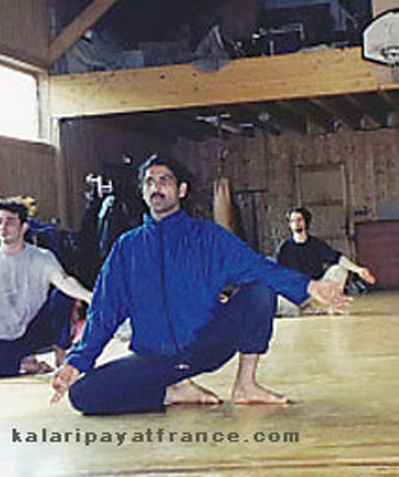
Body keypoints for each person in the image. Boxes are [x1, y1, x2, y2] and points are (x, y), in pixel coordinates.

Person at [50, 155, 350, 415]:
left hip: (205, 347)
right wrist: (76, 363)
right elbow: (104, 311)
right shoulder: (126, 248)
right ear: (143, 192)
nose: (156, 187)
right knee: (83, 395)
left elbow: (257, 267)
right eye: (149, 182)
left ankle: (246, 385)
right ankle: (172, 391)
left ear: (181, 190)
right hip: (153, 358)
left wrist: (309, 287)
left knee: (260, 292)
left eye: (165, 180)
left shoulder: (207, 237)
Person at [0, 199, 93, 381]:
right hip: (4, 339)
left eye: (10, 222)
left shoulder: (42, 257)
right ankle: (21, 363)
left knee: (63, 295)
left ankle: (61, 353)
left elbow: (64, 280)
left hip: (37, 332)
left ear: (24, 227)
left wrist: (89, 297)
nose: (3, 227)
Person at [275, 206, 375, 316]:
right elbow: (276, 272)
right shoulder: (284, 248)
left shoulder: (316, 244)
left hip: (318, 290)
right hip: (296, 293)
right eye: (292, 221)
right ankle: (302, 310)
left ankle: (333, 306)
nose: (296, 224)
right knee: (277, 302)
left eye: (299, 220)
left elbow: (338, 258)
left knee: (339, 270)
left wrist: (358, 270)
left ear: (306, 222)